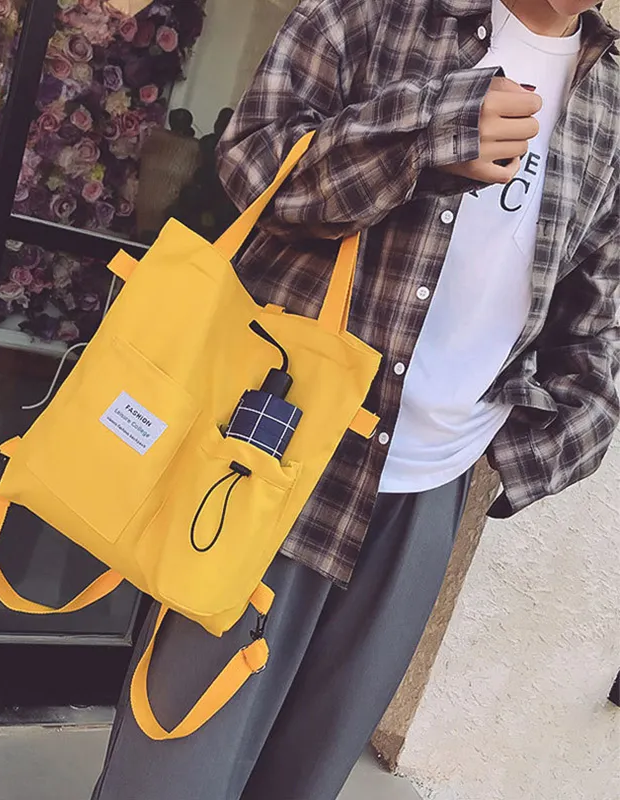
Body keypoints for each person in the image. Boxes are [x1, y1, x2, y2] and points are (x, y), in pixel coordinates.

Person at [91, 1, 619, 797]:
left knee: (306, 776)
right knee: (172, 770)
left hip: (429, 497)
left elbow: (596, 312)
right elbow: (253, 166)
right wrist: (430, 130)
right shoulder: (373, 12)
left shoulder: (608, 97)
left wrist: (536, 447)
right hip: (271, 452)